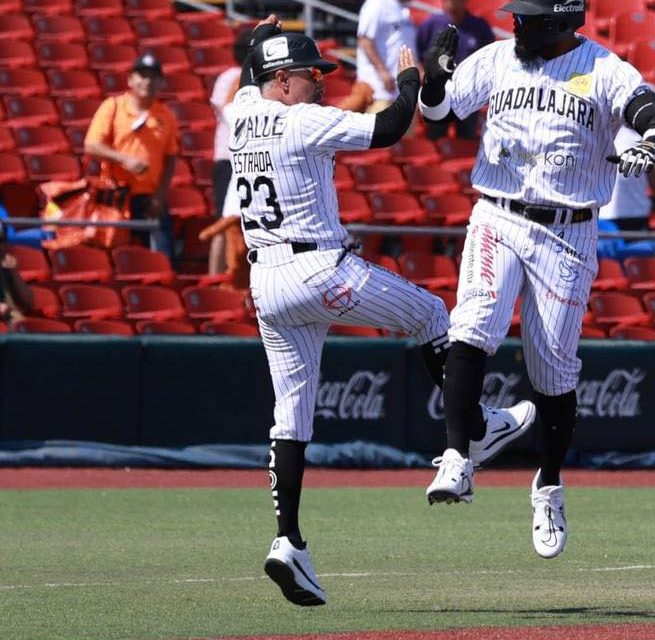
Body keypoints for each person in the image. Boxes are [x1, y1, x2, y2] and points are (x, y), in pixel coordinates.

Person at [229, 16, 534, 608]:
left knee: (289, 417)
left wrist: (256, 43)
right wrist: (410, 79)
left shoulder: (239, 112)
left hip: (265, 279)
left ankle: (287, 539)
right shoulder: (301, 120)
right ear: (285, 79)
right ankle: (472, 432)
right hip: (320, 271)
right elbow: (392, 129)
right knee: (432, 316)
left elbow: (251, 73)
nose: (320, 82)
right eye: (311, 74)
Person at [416, 0, 655, 559]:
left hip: (567, 232)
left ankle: (548, 483)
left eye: (528, 18)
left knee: (553, 369)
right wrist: (432, 82)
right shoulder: (497, 59)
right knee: (471, 323)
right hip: (496, 212)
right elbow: (439, 115)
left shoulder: (605, 70)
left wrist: (648, 145)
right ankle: (458, 457)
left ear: (562, 21)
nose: (517, 25)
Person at [83, 53, 178, 263]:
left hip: (150, 198)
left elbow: (171, 159)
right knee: (115, 257)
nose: (147, 82)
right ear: (130, 80)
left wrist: (160, 196)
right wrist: (123, 159)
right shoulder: (114, 106)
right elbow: (91, 145)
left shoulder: (165, 115)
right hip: (116, 196)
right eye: (142, 76)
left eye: (153, 77)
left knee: (162, 258)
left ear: (161, 82)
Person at [206, 28, 255, 288]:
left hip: (249, 157)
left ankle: (239, 278)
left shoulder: (259, 79)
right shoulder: (231, 77)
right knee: (224, 220)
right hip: (228, 156)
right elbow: (223, 110)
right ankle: (216, 278)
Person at [414, 0, 493, 140]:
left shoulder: (479, 27)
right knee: (435, 138)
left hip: (468, 94)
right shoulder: (431, 24)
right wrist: (425, 78)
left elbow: (490, 60)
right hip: (438, 92)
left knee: (466, 140)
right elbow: (416, 54)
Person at [341, 0, 414, 113]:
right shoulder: (376, 4)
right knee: (380, 129)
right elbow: (365, 39)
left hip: (402, 90)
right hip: (379, 89)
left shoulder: (403, 8)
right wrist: (382, 71)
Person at [599, 127, 655, 231]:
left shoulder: (645, 136)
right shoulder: (604, 133)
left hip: (638, 212)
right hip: (608, 213)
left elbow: (651, 172)